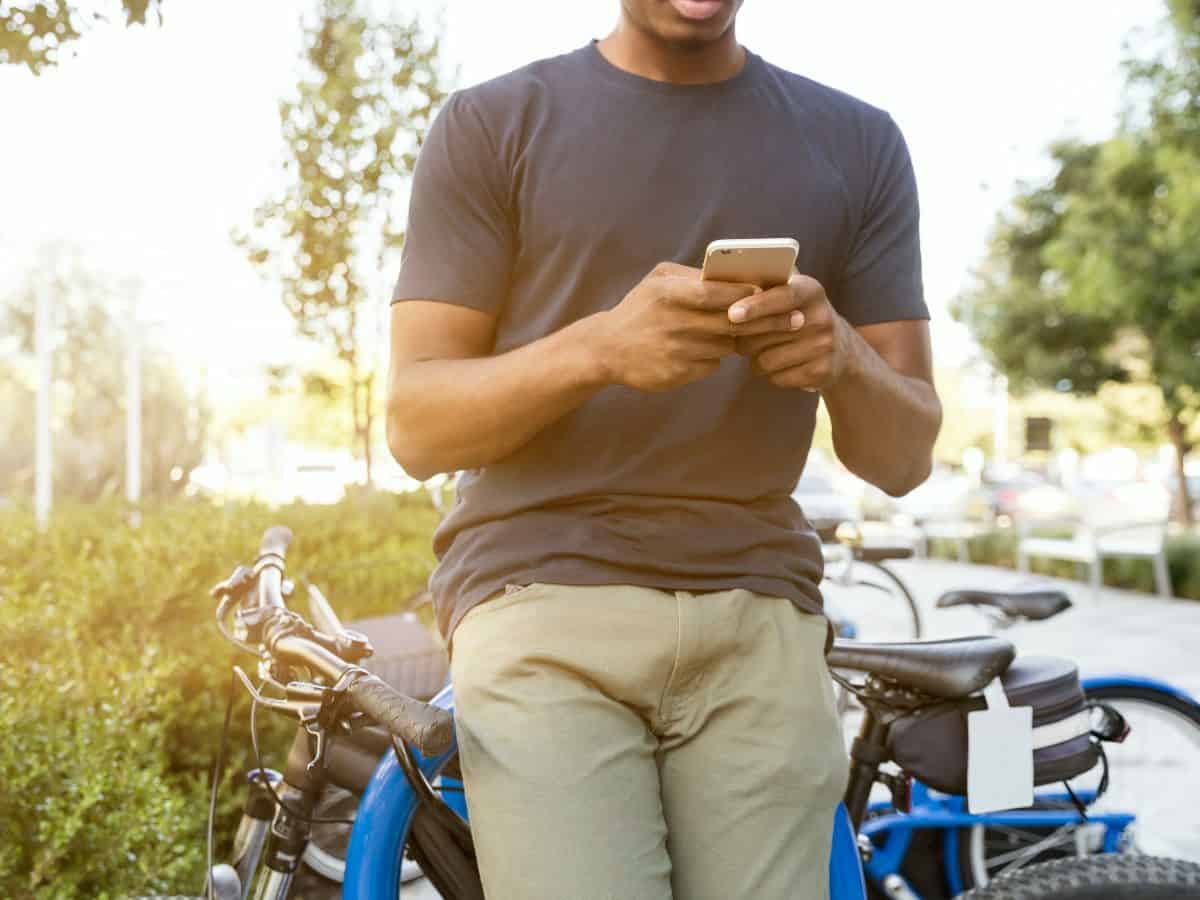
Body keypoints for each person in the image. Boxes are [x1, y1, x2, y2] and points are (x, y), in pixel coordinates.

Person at [386, 0, 941, 896]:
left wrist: (842, 358)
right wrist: (598, 349)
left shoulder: (858, 141)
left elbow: (904, 457)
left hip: (760, 612)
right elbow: (415, 426)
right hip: (543, 600)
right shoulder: (492, 124)